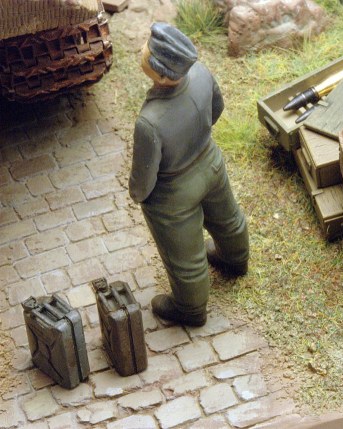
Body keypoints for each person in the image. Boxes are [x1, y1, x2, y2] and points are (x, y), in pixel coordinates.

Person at [129, 22, 249, 327]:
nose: (143, 49)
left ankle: (190, 309)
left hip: (175, 192)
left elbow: (144, 178)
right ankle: (235, 259)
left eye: (148, 49)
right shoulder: (201, 74)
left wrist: (141, 197)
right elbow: (217, 108)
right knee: (228, 218)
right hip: (210, 161)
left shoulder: (149, 121)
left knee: (186, 259)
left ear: (161, 74)